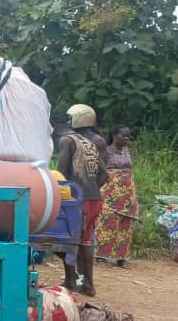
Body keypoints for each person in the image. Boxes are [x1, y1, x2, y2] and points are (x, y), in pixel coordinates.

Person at [55, 104, 108, 297]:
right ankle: (88, 284)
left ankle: (71, 280)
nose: (68, 122)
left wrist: (72, 193)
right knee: (85, 241)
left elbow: (61, 172)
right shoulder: (90, 143)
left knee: (68, 240)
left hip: (76, 201)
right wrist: (91, 190)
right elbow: (104, 174)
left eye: (70, 118)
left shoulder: (67, 141)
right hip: (94, 200)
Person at [95, 125, 139, 267]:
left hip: (127, 193)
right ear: (114, 135)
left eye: (128, 136)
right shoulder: (106, 151)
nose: (126, 138)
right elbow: (99, 170)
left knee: (126, 225)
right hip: (110, 193)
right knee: (107, 223)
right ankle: (101, 256)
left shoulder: (127, 151)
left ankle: (122, 257)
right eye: (123, 135)